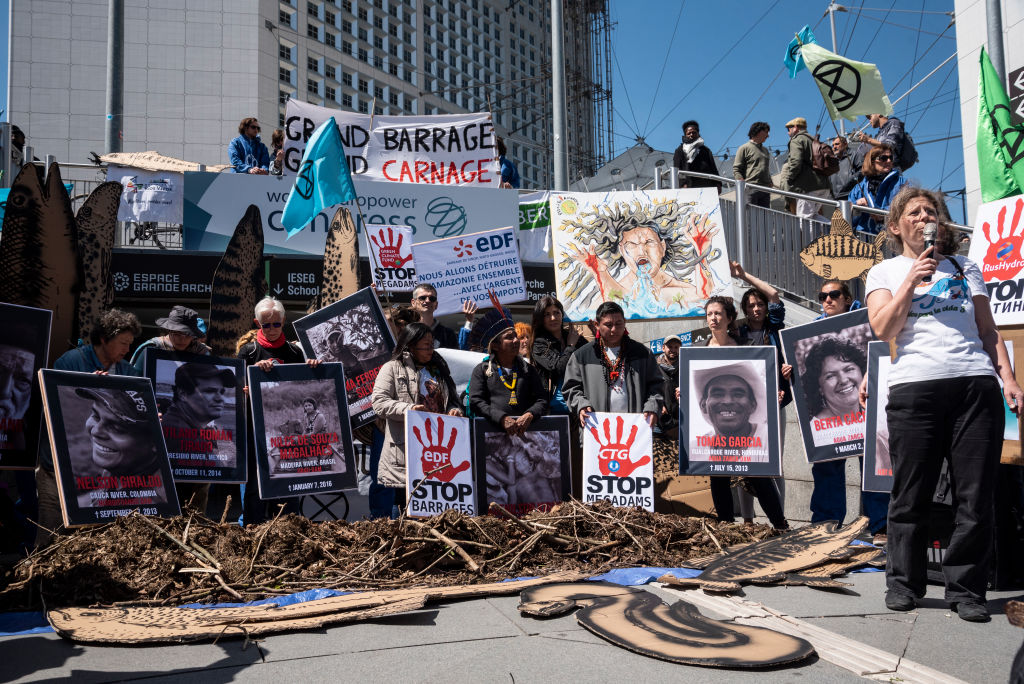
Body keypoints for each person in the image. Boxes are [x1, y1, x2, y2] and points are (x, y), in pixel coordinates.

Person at [865, 187, 1022, 622]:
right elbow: (883, 328)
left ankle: (966, 589)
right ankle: (904, 583)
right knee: (911, 493)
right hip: (916, 388)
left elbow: (988, 332)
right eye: (913, 212)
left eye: (930, 211)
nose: (923, 216)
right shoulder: (884, 271)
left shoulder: (965, 266)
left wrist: (1007, 378)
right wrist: (912, 279)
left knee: (974, 495)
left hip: (975, 386)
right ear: (897, 226)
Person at [36, 309, 142, 546]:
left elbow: (137, 415)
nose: (127, 350)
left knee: (96, 542)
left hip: (102, 478)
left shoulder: (128, 371)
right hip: (57, 468)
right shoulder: (71, 362)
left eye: (130, 344)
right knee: (50, 535)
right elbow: (53, 407)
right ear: (104, 338)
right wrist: (83, 387)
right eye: (123, 343)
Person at [695, 296, 788, 530]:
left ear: (729, 318)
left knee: (757, 473)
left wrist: (772, 394)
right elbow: (686, 384)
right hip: (716, 438)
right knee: (718, 475)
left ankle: (779, 523)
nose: (713, 319)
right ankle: (726, 524)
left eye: (718, 314)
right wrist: (681, 392)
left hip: (748, 436)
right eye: (709, 314)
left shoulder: (746, 346)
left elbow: (763, 379)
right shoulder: (698, 350)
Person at [804, 279, 888, 538]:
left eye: (834, 294)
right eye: (822, 296)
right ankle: (825, 526)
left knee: (874, 468)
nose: (827, 300)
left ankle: (881, 526)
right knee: (826, 470)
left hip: (868, 415)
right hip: (831, 429)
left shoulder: (869, 322)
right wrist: (790, 371)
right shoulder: (811, 331)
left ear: (847, 298)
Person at [236, 297, 321, 526]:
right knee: (254, 487)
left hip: (288, 433)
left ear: (283, 321)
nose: (272, 329)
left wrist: (312, 369)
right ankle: (252, 536)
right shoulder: (248, 352)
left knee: (288, 484)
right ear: (257, 323)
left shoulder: (295, 352)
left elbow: (305, 391)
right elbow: (235, 392)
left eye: (276, 324)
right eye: (266, 325)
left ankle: (287, 532)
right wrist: (247, 386)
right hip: (256, 433)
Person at [372, 323, 463, 503]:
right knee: (405, 507)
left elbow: (453, 399)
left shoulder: (439, 369)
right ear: (411, 345)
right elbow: (379, 403)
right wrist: (409, 410)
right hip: (406, 450)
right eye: (426, 345)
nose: (431, 349)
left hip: (439, 450)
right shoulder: (391, 368)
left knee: (435, 506)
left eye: (432, 344)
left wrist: (455, 410)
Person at [733, 262, 791, 522]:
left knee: (774, 464)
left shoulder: (775, 329)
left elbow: (774, 294)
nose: (756, 309)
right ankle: (747, 520)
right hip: (746, 407)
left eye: (760, 304)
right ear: (744, 310)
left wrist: (744, 276)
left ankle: (779, 519)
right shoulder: (738, 333)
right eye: (751, 306)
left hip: (774, 404)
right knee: (745, 463)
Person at [563, 301, 663, 430]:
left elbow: (657, 384)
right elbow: (571, 388)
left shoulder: (642, 353)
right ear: (596, 325)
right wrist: (581, 405)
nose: (614, 329)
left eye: (618, 324)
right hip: (596, 428)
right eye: (608, 325)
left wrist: (652, 406)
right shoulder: (581, 356)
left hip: (635, 428)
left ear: (624, 322)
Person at [73, 387, 169, 508]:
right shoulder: (120, 467)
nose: (96, 431)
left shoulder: (158, 501)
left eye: (117, 427)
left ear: (156, 442)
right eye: (96, 416)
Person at [161, 363, 235, 512]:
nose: (221, 399)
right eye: (209, 391)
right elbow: (222, 465)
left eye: (221, 392)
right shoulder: (176, 430)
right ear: (183, 394)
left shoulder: (195, 427)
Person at [470, 319, 546, 436]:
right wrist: (501, 418)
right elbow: (476, 401)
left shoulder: (528, 370)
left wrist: (530, 414)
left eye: (515, 336)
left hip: (526, 436)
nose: (516, 340)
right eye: (509, 337)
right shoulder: (482, 370)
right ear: (495, 346)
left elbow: (542, 400)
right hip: (492, 436)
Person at [130, 305, 211, 373]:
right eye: (177, 333)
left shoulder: (202, 353)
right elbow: (134, 379)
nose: (182, 339)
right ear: (169, 330)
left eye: (188, 334)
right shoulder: (150, 348)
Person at [848, 145, 907, 235]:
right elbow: (847, 221)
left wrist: (884, 214)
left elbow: (908, 208)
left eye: (891, 157)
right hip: (865, 242)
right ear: (872, 161)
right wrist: (857, 208)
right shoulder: (858, 189)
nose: (889, 161)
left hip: (892, 240)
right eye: (883, 158)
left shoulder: (902, 183)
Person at [780, 117, 831, 221]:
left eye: (788, 129)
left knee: (804, 221)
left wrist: (790, 179)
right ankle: (835, 232)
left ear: (795, 128)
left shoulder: (797, 139)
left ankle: (821, 236)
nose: (788, 133)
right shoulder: (813, 140)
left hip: (808, 187)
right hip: (823, 186)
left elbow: (795, 161)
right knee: (813, 217)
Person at [409, 283, 476, 350]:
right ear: (413, 303)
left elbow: (460, 353)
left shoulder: (447, 334)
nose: (427, 301)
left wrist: (469, 321)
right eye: (422, 298)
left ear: (436, 305)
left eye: (432, 298)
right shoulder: (406, 330)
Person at [732, 122, 773, 207]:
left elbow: (765, 168)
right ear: (758, 131)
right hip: (750, 188)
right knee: (751, 216)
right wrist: (742, 183)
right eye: (766, 132)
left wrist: (770, 180)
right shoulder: (744, 148)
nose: (768, 135)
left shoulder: (765, 150)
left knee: (764, 218)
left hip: (765, 190)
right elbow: (736, 169)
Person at [673, 120, 721, 191]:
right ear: (685, 135)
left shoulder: (705, 150)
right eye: (689, 133)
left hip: (707, 186)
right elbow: (677, 169)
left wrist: (718, 183)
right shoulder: (680, 150)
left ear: (698, 133)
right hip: (689, 187)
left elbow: (713, 168)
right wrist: (682, 184)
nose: (691, 135)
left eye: (694, 132)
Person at [829, 136, 860, 202]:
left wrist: (849, 182)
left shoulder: (855, 154)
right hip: (836, 198)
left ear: (845, 144)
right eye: (833, 145)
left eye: (837, 144)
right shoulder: (833, 161)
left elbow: (862, 171)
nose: (834, 147)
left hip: (850, 196)